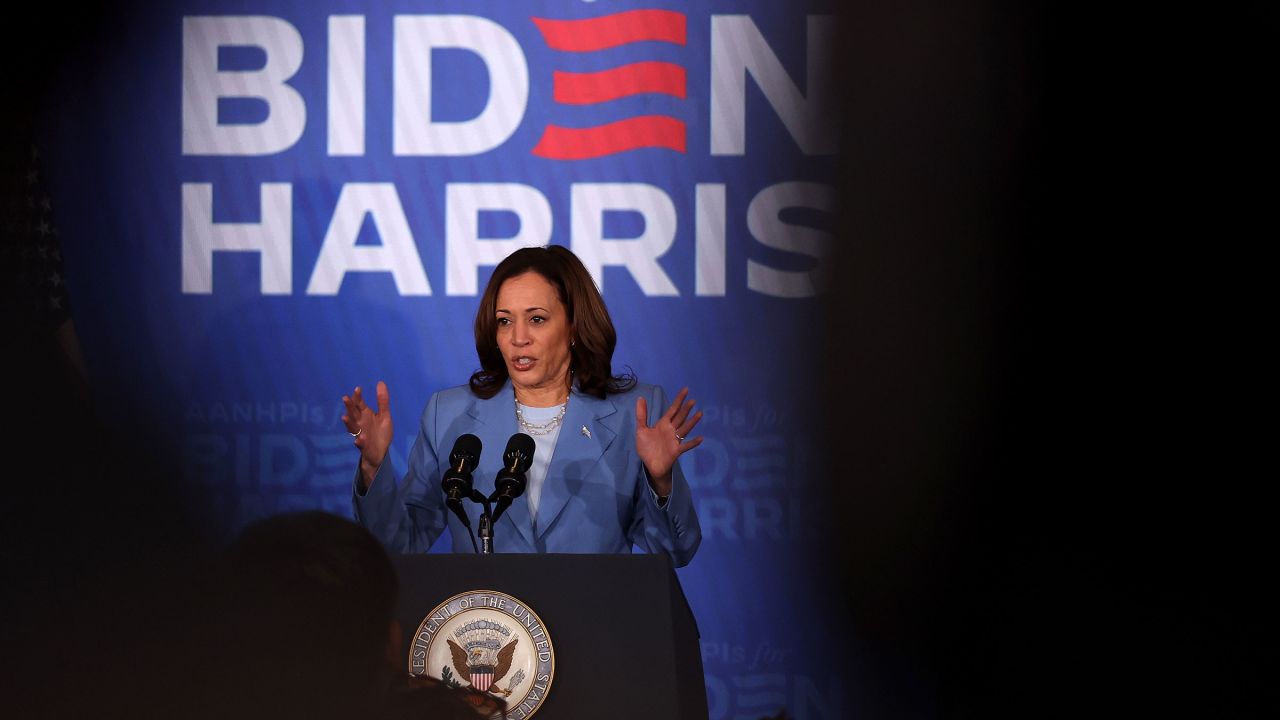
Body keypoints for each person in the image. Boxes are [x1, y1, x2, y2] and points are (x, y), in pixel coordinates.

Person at [342, 245, 703, 567]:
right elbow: (398, 544)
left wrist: (661, 482)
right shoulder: (448, 414)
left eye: (537, 319)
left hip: (592, 630)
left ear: (574, 326)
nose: (518, 339)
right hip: (485, 635)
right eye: (504, 321)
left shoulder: (631, 413)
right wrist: (374, 468)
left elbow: (674, 551)